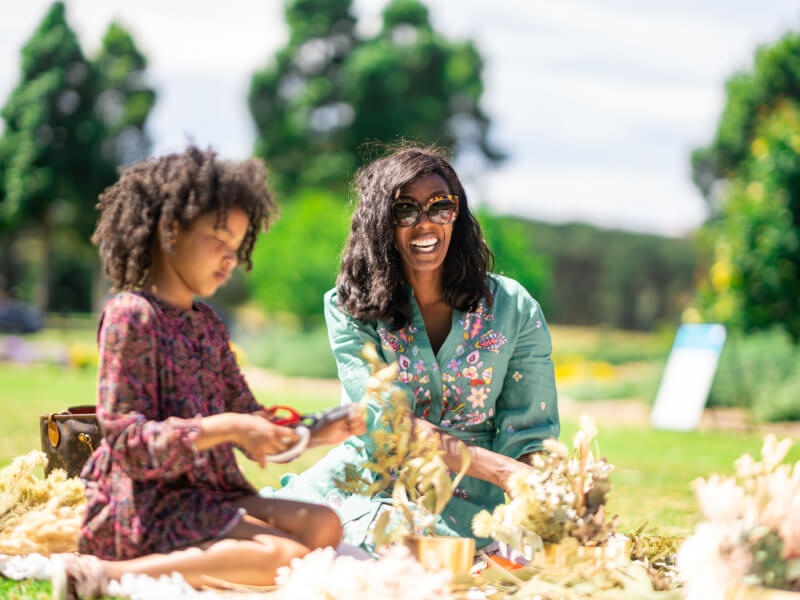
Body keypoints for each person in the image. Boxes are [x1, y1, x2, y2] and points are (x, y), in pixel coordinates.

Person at [51, 147, 365, 600]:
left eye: (236, 248)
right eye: (218, 241)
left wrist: (314, 432)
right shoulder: (131, 315)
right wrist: (227, 427)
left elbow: (250, 416)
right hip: (144, 504)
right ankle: (101, 576)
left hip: (210, 497)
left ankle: (201, 558)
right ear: (170, 231)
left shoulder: (207, 324)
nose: (230, 259)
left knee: (324, 525)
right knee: (289, 558)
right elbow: (128, 445)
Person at [264, 146, 559, 551]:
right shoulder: (349, 306)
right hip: (361, 484)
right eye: (405, 210)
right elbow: (388, 422)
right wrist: (503, 472)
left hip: (467, 504)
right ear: (381, 224)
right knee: (259, 536)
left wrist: (547, 503)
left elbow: (530, 434)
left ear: (456, 214)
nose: (425, 224)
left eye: (440, 207)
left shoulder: (513, 307)